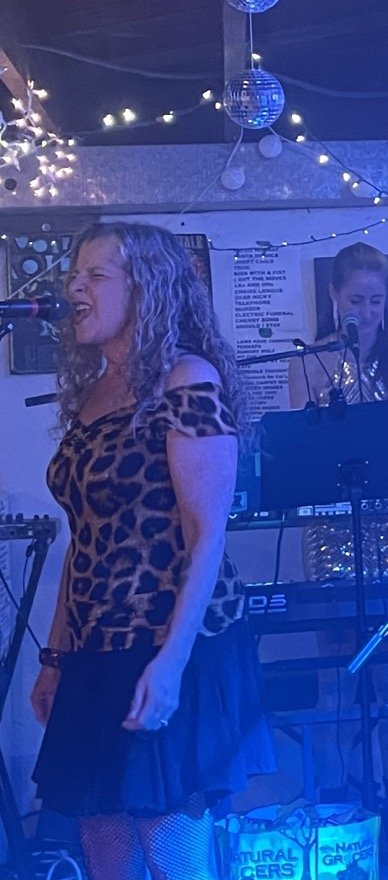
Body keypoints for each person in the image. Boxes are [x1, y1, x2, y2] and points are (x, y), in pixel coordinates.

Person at [31, 222, 273, 879]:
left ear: (147, 288)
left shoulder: (187, 380)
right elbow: (87, 539)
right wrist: (55, 657)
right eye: (73, 274)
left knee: (169, 848)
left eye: (95, 275)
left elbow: (207, 532)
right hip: (96, 646)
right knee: (103, 839)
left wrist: (170, 662)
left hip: (175, 642)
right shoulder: (93, 396)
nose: (74, 287)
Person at [286, 241, 388, 872]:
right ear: (334, 299)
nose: (369, 312)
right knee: (338, 665)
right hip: (332, 535)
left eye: (378, 301)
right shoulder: (311, 362)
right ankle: (342, 795)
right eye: (357, 301)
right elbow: (302, 449)